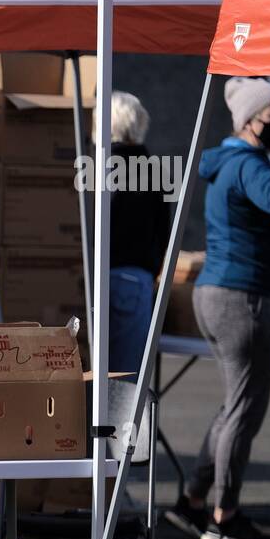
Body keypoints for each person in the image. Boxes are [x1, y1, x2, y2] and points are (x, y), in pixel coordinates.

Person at [164, 77, 270, 539]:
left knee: (232, 408)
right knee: (244, 412)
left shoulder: (230, 163)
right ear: (249, 122)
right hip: (240, 299)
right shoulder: (248, 166)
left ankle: (193, 503)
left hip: (219, 294)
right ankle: (225, 516)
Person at [105, 91, 171, 374]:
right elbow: (165, 231)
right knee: (124, 380)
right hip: (135, 279)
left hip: (93, 276)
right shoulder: (155, 170)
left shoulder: (99, 166)